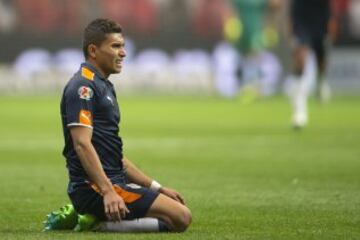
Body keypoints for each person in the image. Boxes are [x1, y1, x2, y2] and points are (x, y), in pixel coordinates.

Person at [43, 18, 191, 233]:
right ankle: (96, 222)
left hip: (113, 183)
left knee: (176, 209)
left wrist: (156, 187)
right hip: (93, 187)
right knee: (180, 218)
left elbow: (114, 156)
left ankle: (92, 215)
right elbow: (82, 144)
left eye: (123, 46)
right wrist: (108, 192)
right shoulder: (83, 87)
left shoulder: (103, 85)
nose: (123, 53)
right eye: (115, 46)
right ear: (93, 50)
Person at [288, 0, 337, 128]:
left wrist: (331, 22)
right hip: (301, 17)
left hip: (320, 18)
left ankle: (320, 82)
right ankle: (299, 109)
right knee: (300, 59)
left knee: (321, 61)